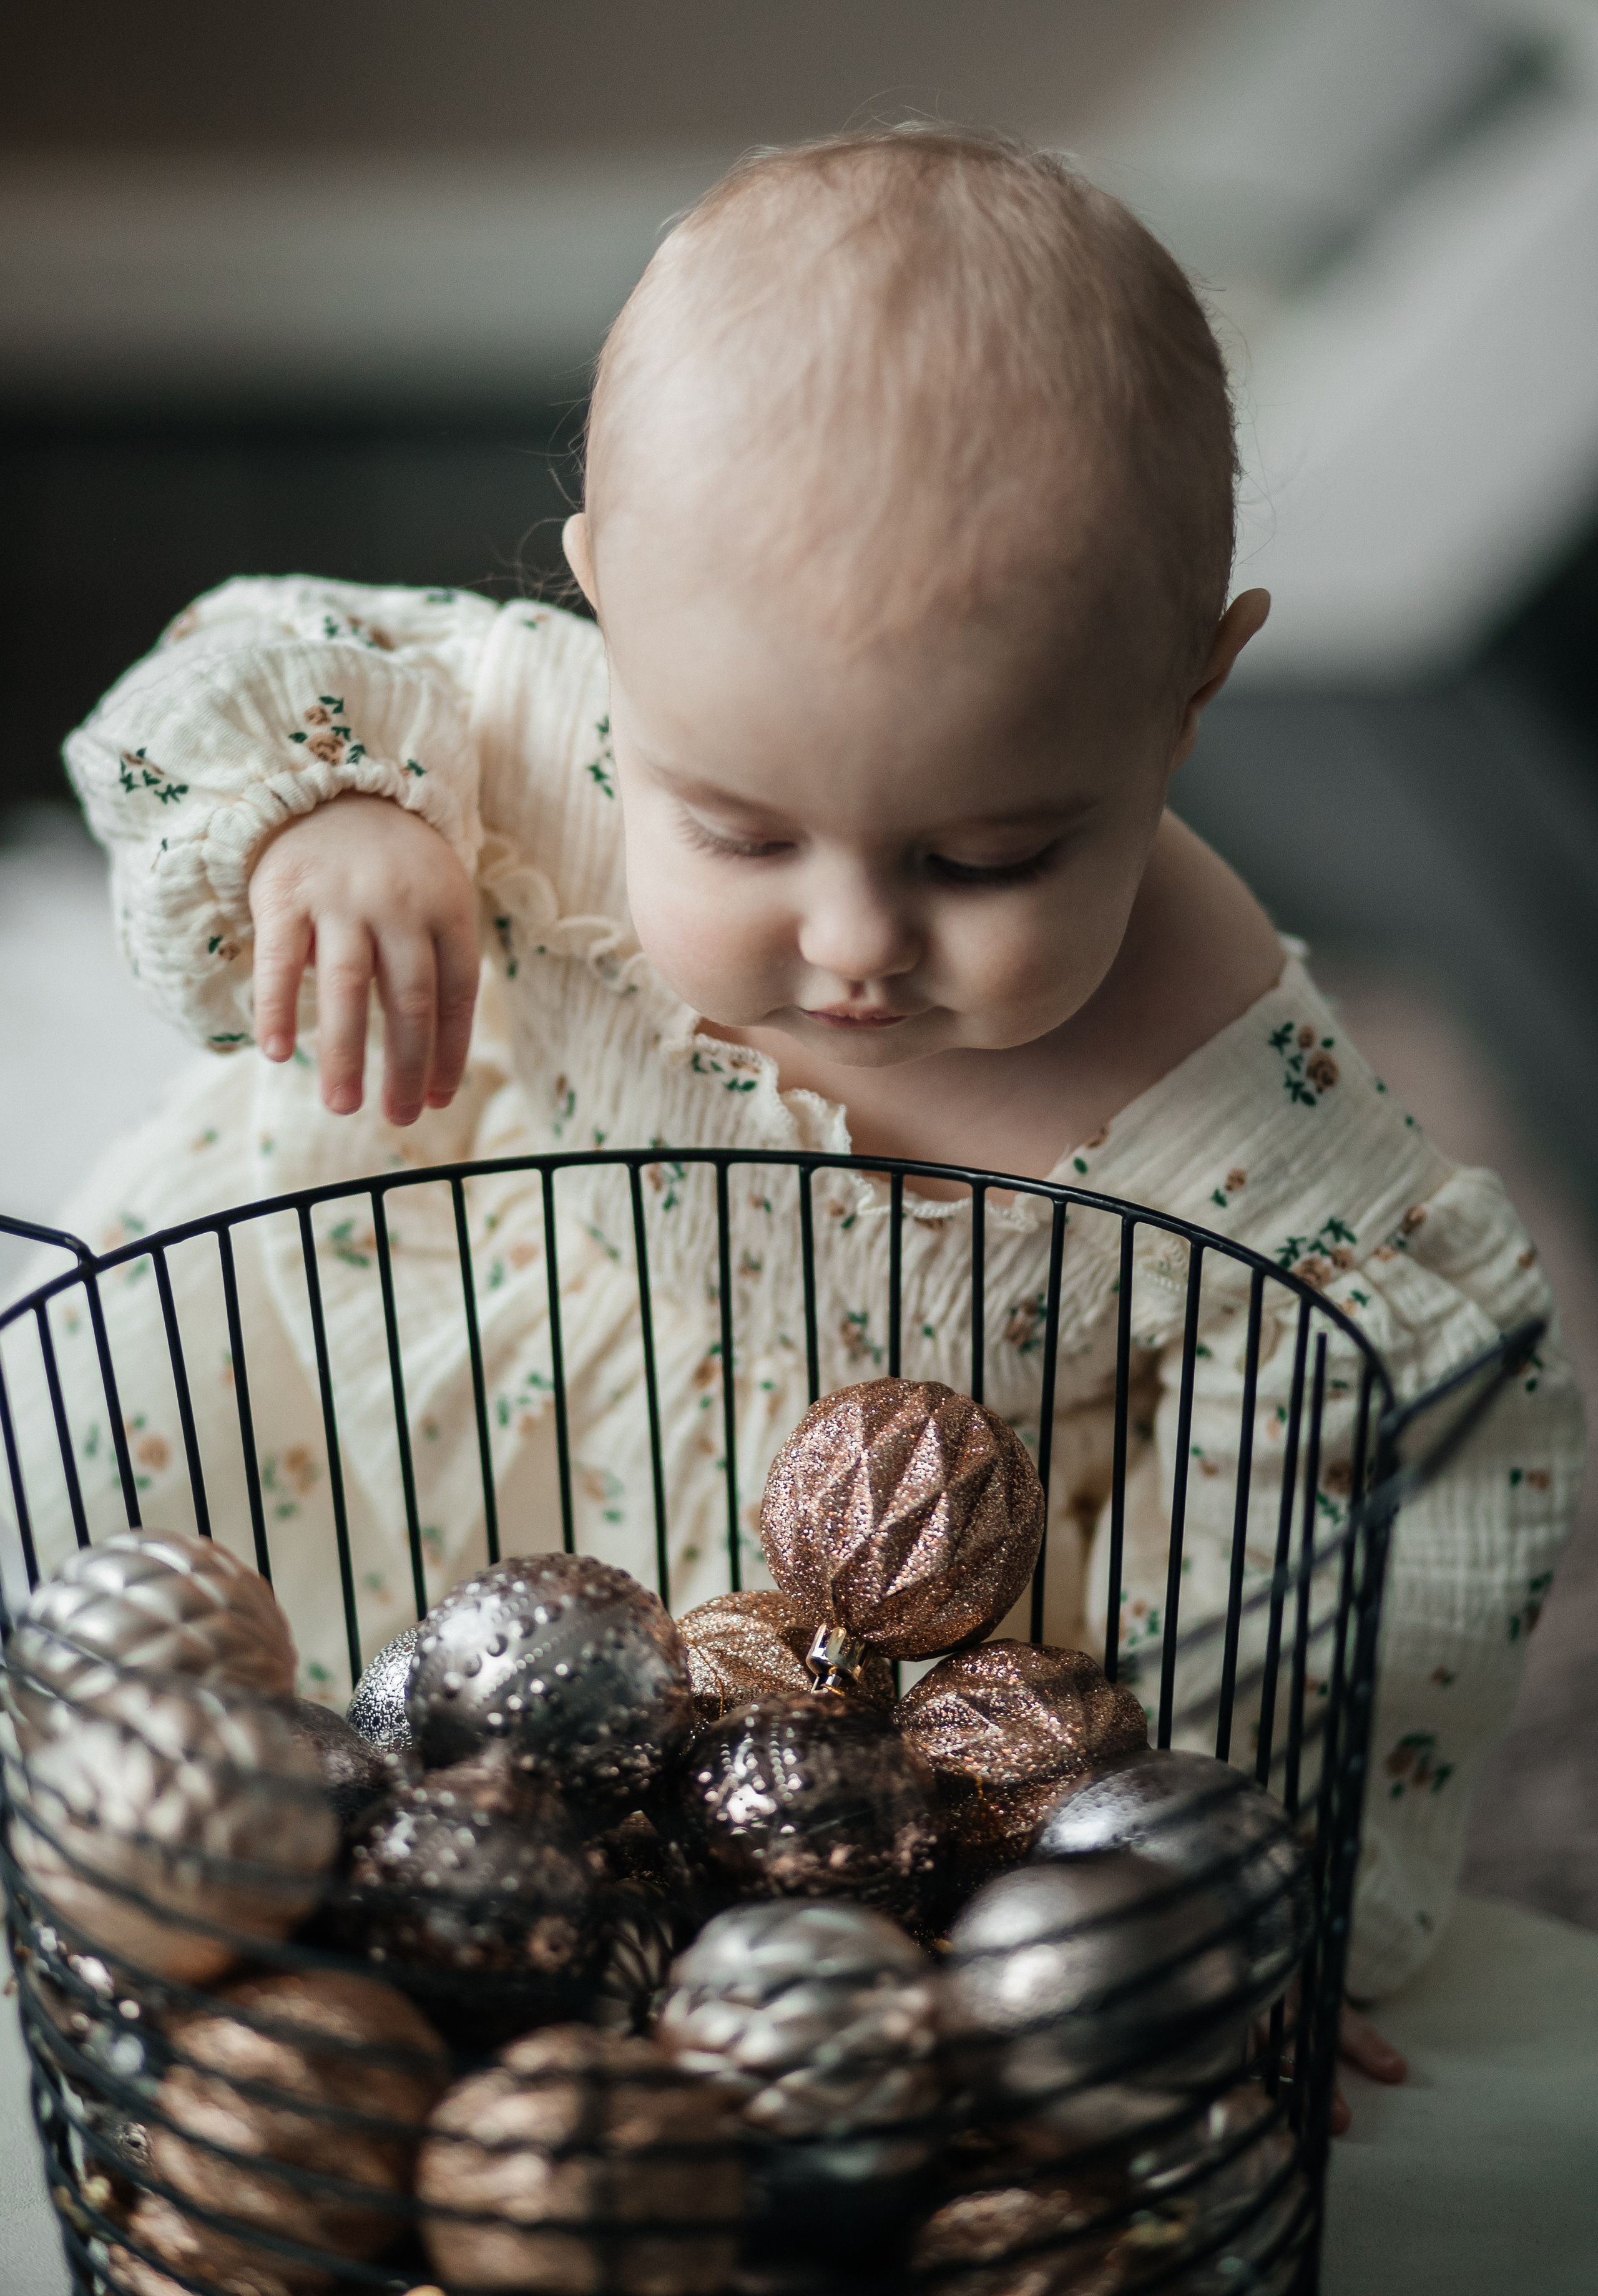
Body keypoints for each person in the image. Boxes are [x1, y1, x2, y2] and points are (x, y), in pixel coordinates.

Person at [21, 129, 1580, 2052]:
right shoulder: (559, 731)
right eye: (737, 832)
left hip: (906, 1681)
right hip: (430, 1409)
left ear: (1191, 692)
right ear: (608, 612)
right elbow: (249, 665)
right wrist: (331, 816)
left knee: (890, 2001)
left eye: (985, 860)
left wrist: (1214, 1888)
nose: (852, 943)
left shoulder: (1241, 1119)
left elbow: (1380, 1485)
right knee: (160, 1533)